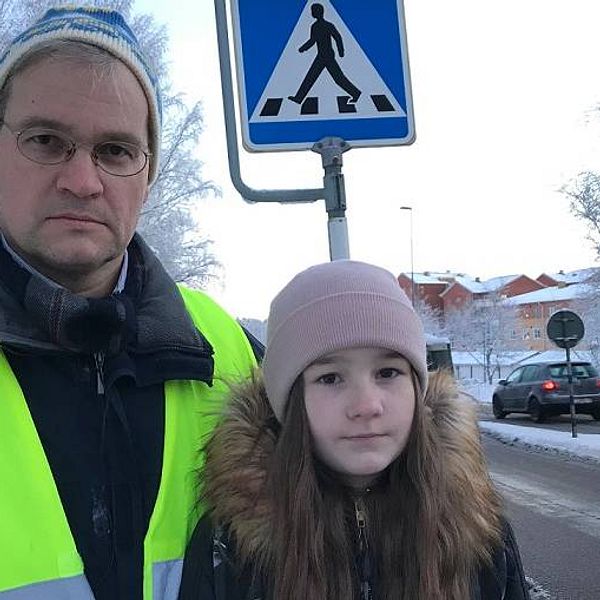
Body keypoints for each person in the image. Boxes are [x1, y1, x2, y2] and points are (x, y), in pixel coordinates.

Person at [0, 7, 259, 600]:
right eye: (45, 140)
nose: (83, 180)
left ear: (147, 176)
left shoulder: (223, 348)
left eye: (115, 151)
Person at [178, 260, 530, 600]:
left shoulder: (477, 532)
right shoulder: (232, 545)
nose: (366, 405)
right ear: (288, 401)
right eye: (330, 378)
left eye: (388, 372)